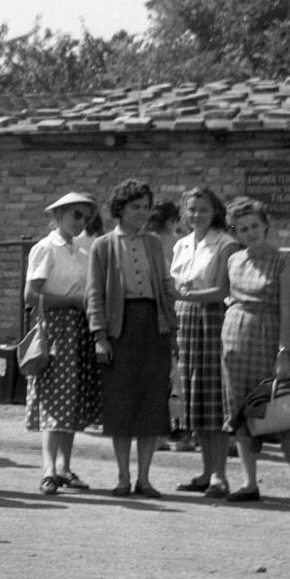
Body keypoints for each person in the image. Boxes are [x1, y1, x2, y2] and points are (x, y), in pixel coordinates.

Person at [220, 197, 290, 507]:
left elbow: (287, 311)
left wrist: (283, 351)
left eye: (254, 226)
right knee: (239, 413)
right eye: (242, 228)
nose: (249, 233)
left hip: (266, 340)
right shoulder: (233, 260)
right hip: (234, 340)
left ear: (266, 225)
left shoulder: (283, 261)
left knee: (280, 414)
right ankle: (249, 483)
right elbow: (226, 297)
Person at [86, 179, 176, 497]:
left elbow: (165, 285)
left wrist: (172, 327)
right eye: (135, 207)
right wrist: (100, 336)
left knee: (152, 403)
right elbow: (94, 294)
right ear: (120, 209)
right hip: (120, 329)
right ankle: (123, 477)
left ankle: (145, 478)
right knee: (121, 405)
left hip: (153, 326)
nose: (141, 213)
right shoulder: (103, 245)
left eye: (145, 207)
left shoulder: (153, 243)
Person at [24, 193, 101, 494]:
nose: (81, 222)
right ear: (58, 216)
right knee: (54, 399)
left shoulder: (83, 250)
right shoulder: (46, 248)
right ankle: (48, 468)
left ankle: (65, 467)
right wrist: (72, 301)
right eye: (75, 215)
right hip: (55, 326)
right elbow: (31, 296)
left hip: (79, 328)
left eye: (85, 216)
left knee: (73, 399)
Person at [171, 186, 236, 497]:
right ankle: (205, 471)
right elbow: (174, 282)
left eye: (204, 210)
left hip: (211, 319)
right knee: (193, 395)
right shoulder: (182, 244)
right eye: (192, 209)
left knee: (212, 394)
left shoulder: (225, 244)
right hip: (185, 319)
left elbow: (222, 290)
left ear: (216, 212)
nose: (197, 215)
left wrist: (184, 295)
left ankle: (220, 475)